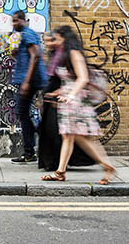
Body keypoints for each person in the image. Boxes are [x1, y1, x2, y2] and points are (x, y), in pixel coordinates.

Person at [41, 26, 116, 184]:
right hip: (68, 100)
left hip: (77, 102)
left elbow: (83, 78)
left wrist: (71, 95)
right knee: (69, 136)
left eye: (56, 38)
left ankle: (107, 165)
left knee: (81, 138)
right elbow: (71, 80)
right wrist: (58, 93)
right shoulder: (63, 55)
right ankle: (60, 172)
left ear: (64, 38)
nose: (53, 41)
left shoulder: (74, 53)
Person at [38, 31, 94, 171]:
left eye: (52, 40)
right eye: (46, 41)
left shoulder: (70, 54)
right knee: (64, 133)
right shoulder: (54, 54)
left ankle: (60, 165)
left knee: (63, 132)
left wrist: (67, 94)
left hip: (68, 97)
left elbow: (80, 78)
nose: (48, 43)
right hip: (57, 93)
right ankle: (58, 167)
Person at [10, 10, 48, 164]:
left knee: (23, 113)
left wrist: (26, 81)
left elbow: (35, 55)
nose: (13, 24)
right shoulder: (22, 35)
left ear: (22, 20)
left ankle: (34, 146)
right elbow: (26, 55)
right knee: (23, 114)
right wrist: (15, 51)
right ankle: (30, 151)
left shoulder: (28, 33)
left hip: (30, 81)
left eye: (15, 21)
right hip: (26, 79)